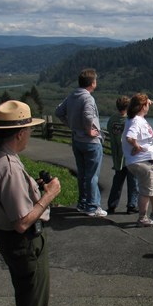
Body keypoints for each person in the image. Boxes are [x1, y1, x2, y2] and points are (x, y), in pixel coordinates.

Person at [0, 100, 62, 306]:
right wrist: (48, 195)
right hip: (25, 243)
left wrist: (32, 188)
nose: (31, 133)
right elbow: (22, 222)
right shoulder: (9, 167)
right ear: (20, 134)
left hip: (5, 238)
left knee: (25, 299)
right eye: (30, 129)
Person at [54, 68, 107, 217]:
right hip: (90, 142)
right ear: (92, 82)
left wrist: (71, 125)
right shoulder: (88, 98)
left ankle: (82, 203)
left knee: (82, 174)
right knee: (92, 175)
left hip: (77, 139)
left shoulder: (73, 95)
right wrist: (89, 130)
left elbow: (59, 112)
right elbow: (88, 116)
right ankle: (92, 206)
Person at [122, 93, 153, 227]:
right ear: (142, 107)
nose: (148, 106)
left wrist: (147, 100)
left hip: (147, 161)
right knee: (146, 191)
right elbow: (129, 137)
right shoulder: (136, 121)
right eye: (146, 104)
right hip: (142, 162)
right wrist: (136, 146)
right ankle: (142, 218)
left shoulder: (135, 117)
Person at [106, 96, 139, 214]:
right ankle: (132, 205)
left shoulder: (112, 120)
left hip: (118, 156)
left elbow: (110, 132)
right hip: (130, 156)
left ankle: (112, 205)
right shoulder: (130, 120)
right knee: (133, 181)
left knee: (117, 182)